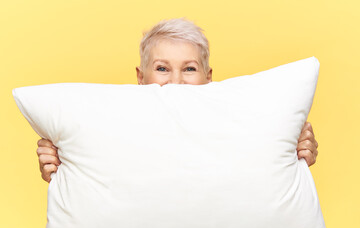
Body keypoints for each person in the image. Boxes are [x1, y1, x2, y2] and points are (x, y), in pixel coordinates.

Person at [36, 17, 319, 183]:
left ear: (208, 77)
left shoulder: (239, 122)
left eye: (189, 68)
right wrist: (67, 166)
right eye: (162, 68)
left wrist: (292, 152)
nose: (175, 80)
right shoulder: (111, 125)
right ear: (140, 76)